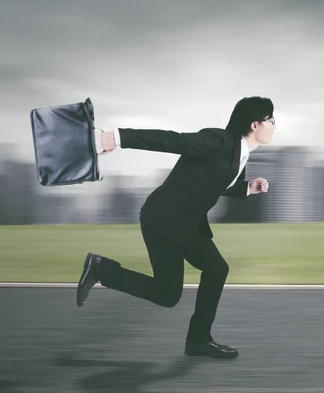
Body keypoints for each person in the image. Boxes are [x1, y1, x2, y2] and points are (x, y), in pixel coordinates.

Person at [76, 96, 276, 359]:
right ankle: (101, 269)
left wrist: (247, 188)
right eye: (271, 120)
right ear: (255, 125)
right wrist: (118, 137)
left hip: (186, 223)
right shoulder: (219, 141)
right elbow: (173, 140)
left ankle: (198, 341)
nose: (274, 125)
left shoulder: (239, 153)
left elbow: (215, 182)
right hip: (163, 220)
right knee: (168, 294)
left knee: (217, 269)